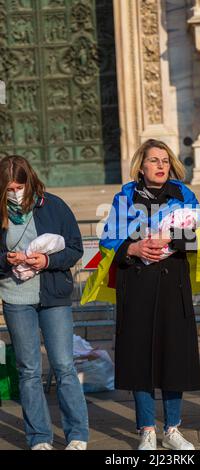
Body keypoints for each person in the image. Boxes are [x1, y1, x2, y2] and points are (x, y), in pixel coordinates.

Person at [81, 139, 200, 450]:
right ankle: (147, 429)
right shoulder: (126, 196)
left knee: (173, 358)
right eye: (154, 160)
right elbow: (110, 239)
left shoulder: (183, 194)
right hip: (136, 283)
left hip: (173, 284)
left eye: (165, 160)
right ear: (141, 166)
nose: (161, 166)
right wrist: (133, 247)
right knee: (140, 358)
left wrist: (168, 238)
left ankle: (172, 429)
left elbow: (195, 237)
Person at [0, 155, 89, 450]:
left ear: (30, 182)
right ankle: (39, 437)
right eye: (9, 188)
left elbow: (75, 248)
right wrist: (6, 259)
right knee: (28, 370)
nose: (15, 193)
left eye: (19, 186)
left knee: (64, 364)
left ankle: (77, 434)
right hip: (16, 297)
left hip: (53, 296)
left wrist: (47, 259)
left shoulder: (53, 205)